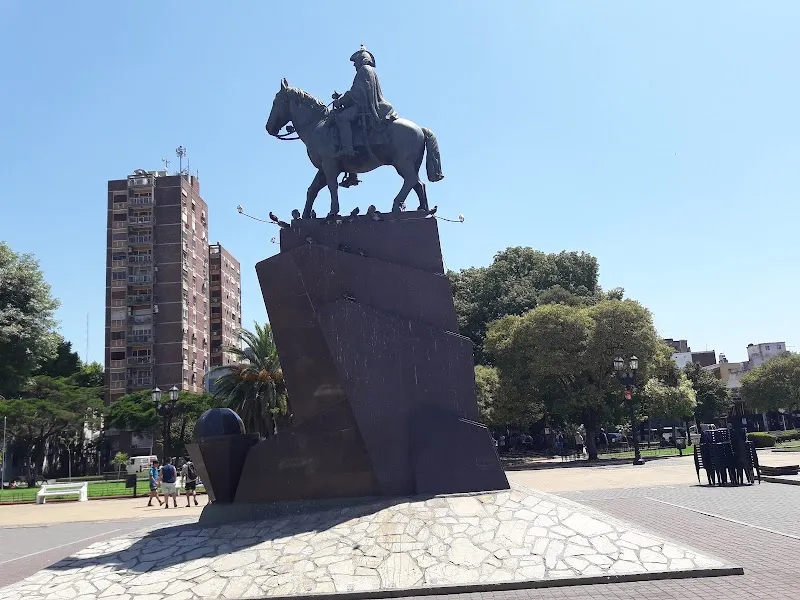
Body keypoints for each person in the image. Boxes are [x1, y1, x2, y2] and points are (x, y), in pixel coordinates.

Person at [332, 45, 397, 158]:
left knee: (341, 118)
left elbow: (357, 92)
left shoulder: (364, 70)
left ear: (362, 60)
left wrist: (341, 101)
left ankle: (348, 149)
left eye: (355, 61)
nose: (354, 64)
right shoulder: (370, 71)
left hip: (364, 106)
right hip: (367, 104)